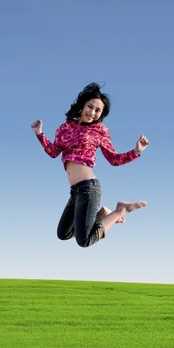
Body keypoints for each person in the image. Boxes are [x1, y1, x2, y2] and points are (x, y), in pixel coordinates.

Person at [31, 83, 150, 248]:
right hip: (75, 191)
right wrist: (39, 134)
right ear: (83, 105)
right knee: (63, 233)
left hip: (89, 187)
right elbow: (53, 152)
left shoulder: (100, 130)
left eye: (97, 110)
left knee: (84, 240)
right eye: (90, 107)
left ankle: (120, 210)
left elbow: (113, 159)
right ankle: (101, 215)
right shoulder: (64, 128)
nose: (92, 112)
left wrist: (136, 151)